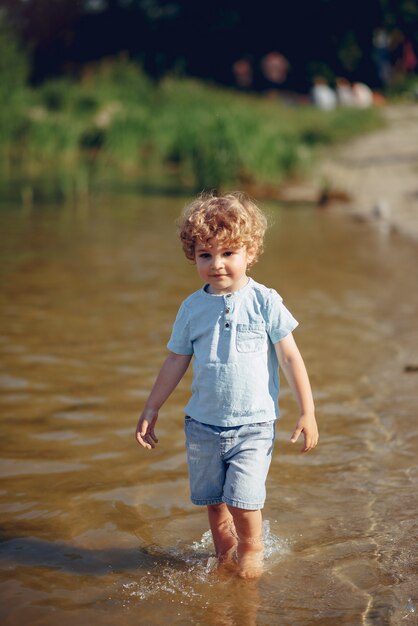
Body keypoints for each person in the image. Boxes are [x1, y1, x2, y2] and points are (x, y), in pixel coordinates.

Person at [135, 191, 318, 579]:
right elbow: (175, 361)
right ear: (193, 256)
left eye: (228, 253)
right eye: (205, 255)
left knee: (245, 502)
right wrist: (152, 407)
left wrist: (308, 411)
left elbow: (290, 357)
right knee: (215, 503)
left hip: (253, 426)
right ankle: (224, 556)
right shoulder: (191, 309)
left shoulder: (265, 302)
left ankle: (252, 551)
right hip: (202, 426)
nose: (216, 264)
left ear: (250, 252)